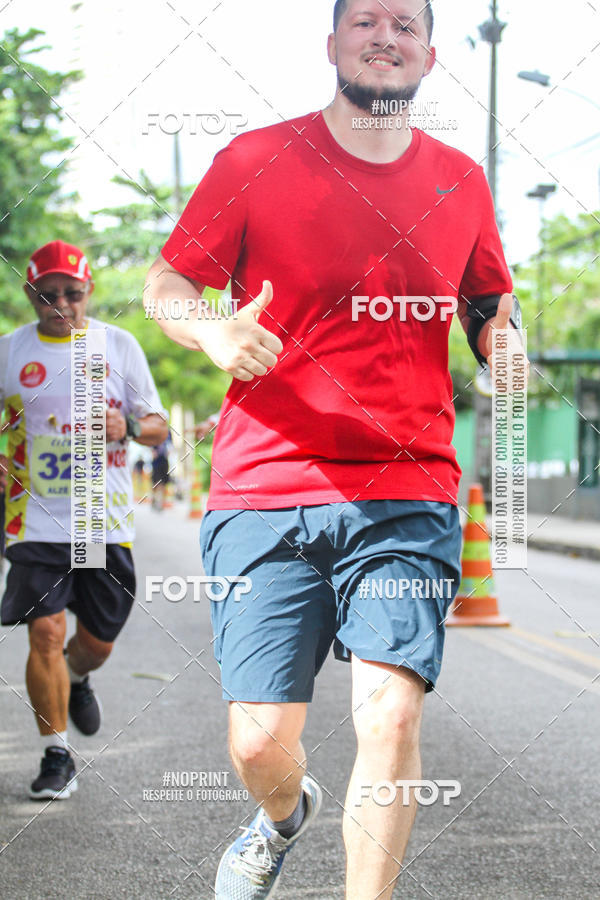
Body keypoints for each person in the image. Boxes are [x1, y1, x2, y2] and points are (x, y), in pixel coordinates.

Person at [145, 1, 525, 897]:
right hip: (264, 484)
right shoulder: (254, 161)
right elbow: (166, 281)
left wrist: (500, 343)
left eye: (405, 23)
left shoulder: (460, 180)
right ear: (332, 44)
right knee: (257, 740)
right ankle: (282, 817)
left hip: (407, 484)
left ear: (430, 55)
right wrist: (210, 335)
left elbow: (487, 300)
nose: (384, 35)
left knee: (389, 716)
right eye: (365, 20)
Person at [0, 240, 168, 801]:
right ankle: (56, 753)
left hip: (103, 519)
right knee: (44, 631)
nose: (61, 303)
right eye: (48, 294)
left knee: (95, 642)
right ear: (31, 295)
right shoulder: (9, 352)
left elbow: (158, 427)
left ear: (87, 292)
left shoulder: (117, 347)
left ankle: (77, 677)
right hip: (37, 520)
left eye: (72, 292)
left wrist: (129, 429)